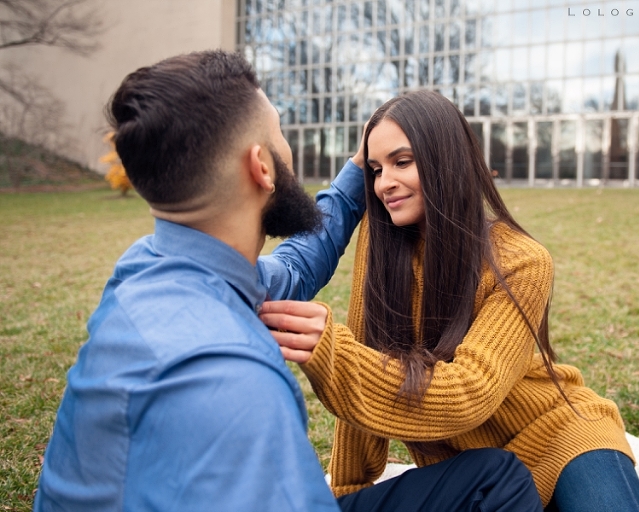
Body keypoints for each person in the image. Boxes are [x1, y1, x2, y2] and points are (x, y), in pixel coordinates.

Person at [34, 52, 543, 512]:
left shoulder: (145, 268)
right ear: (261, 166)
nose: (289, 151)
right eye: (279, 135)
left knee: (493, 476)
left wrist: (360, 165)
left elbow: (298, 262)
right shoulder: (240, 382)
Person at [259, 90, 639, 512]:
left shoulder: (522, 261)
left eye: (402, 162)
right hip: (477, 471)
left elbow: (470, 391)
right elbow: (370, 366)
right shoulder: (382, 245)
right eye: (374, 168)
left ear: (445, 159)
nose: (384, 182)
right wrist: (349, 493)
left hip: (560, 436)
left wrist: (334, 354)